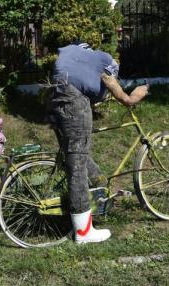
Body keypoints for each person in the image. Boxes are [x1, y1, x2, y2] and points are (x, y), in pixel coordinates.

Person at [46, 43, 149, 244]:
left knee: (75, 156)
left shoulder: (74, 53)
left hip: (52, 97)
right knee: (77, 165)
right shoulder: (105, 60)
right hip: (73, 101)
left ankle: (99, 187)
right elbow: (113, 85)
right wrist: (129, 98)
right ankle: (84, 232)